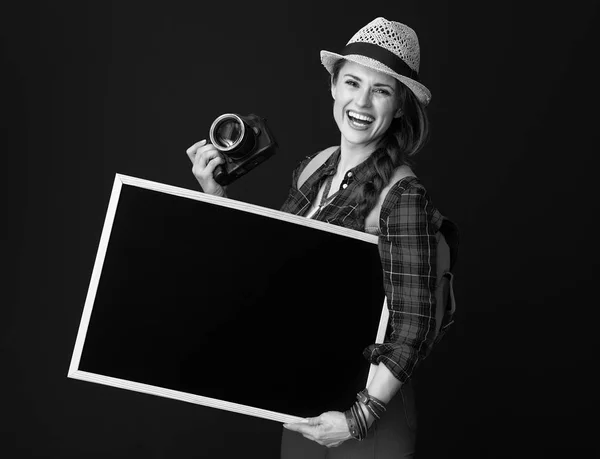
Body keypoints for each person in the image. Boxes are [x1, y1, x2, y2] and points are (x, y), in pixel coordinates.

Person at [186, 17, 459, 459]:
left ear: (401, 106)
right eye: (352, 82)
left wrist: (358, 419)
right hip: (306, 403)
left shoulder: (404, 196)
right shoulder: (315, 167)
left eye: (382, 90)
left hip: (370, 417)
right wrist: (215, 196)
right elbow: (272, 269)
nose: (362, 102)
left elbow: (416, 324)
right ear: (333, 87)